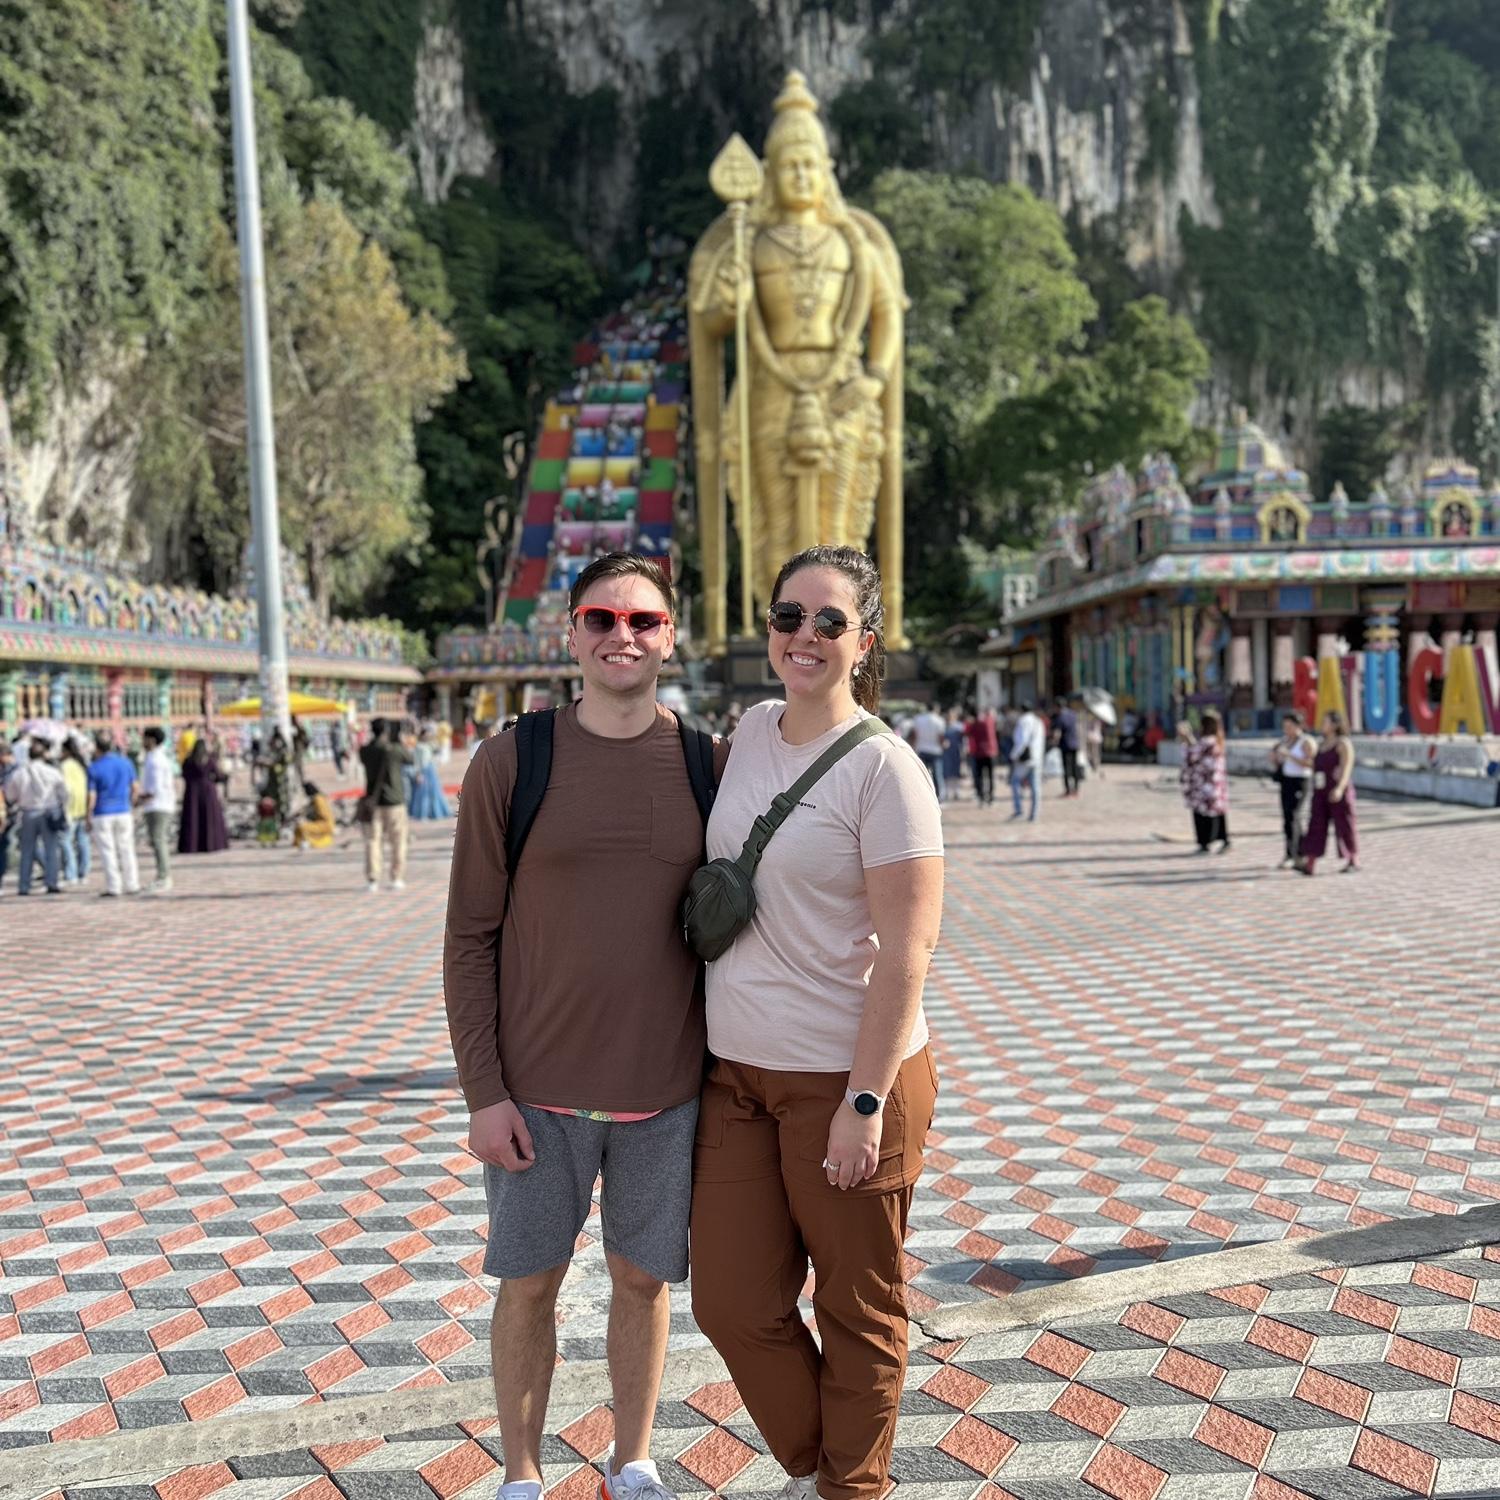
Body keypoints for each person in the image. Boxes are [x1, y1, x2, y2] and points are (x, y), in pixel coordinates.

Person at [445, 552, 722, 1500]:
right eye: (602, 619)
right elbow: (468, 936)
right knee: (529, 1286)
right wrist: (484, 1093)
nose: (622, 637)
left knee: (642, 1285)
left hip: (666, 1091)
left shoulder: (705, 762)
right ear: (570, 634)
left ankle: (631, 1457)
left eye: (643, 622)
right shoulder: (514, 759)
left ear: (669, 638)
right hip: (536, 1094)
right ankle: (521, 1473)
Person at [691, 545, 942, 1500]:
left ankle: (851, 1486)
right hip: (737, 1079)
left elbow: (909, 951)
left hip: (847, 1080)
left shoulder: (886, 772)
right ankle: (820, 1465)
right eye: (788, 616)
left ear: (863, 642)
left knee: (857, 1307)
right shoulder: (751, 732)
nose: (804, 636)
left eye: (828, 622)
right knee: (730, 1301)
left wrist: (866, 1100)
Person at [1299, 710, 1359, 875]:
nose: (1322, 725)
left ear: (1334, 725)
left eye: (1325, 721)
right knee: (1316, 825)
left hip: (1337, 789)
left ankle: (1352, 858)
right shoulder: (1321, 744)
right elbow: (1315, 766)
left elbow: (1347, 768)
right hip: (1320, 790)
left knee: (1345, 824)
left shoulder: (1343, 744)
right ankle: (1310, 862)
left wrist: (1340, 788)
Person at [4, 737, 67, 895]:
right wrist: (60, 805)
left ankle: (24, 885)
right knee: (51, 848)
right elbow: (64, 793)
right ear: (43, 755)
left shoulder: (19, 773)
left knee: (27, 850)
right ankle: (51, 882)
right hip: (48, 811)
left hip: (27, 812)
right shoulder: (52, 772)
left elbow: (10, 795)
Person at [360, 718, 413, 891]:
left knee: (372, 841)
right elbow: (410, 758)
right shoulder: (394, 749)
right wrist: (398, 740)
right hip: (394, 801)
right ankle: (396, 877)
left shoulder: (365, 750)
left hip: (373, 802)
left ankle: (372, 879)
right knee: (398, 841)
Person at [87, 730, 140, 898]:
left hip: (102, 812)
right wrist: (131, 803)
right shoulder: (126, 763)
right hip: (123, 810)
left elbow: (91, 795)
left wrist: (87, 814)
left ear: (97, 748)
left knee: (108, 851)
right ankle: (132, 883)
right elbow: (135, 788)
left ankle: (114, 886)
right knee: (127, 848)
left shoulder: (94, 767)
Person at [1269, 711, 1316, 869]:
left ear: (1298, 726)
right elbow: (1278, 761)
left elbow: (1312, 763)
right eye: (1285, 726)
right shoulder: (1284, 741)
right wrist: (1276, 758)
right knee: (1288, 816)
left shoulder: (1306, 741)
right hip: (1286, 780)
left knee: (1294, 815)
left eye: (1290, 726)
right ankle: (1297, 850)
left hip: (1300, 780)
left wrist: (1290, 756)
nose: (1287, 730)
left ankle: (1294, 853)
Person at [1180, 711, 1230, 853]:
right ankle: (1224, 839)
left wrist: (1186, 738)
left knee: (1202, 814)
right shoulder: (1218, 741)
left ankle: (1205, 842)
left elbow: (1192, 755)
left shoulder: (1207, 742)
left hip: (1202, 784)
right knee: (1218, 812)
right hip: (1216, 784)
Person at [138, 726, 177, 894]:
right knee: (156, 841)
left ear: (152, 740)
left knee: (159, 840)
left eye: (145, 738)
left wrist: (139, 799)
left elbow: (154, 788)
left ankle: (164, 876)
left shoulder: (156, 760)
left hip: (158, 805)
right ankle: (162, 874)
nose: (142, 742)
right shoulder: (153, 757)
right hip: (157, 804)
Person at [179, 738, 229, 855]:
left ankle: (192, 845)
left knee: (193, 818)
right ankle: (210, 844)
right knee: (209, 818)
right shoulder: (209, 760)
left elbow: (184, 774)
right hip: (208, 791)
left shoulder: (188, 761)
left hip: (192, 792)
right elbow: (218, 776)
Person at [59, 738, 92, 886]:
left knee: (66, 841)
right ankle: (83, 872)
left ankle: (70, 873)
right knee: (83, 841)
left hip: (70, 808)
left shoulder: (65, 766)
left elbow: (65, 788)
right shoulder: (82, 764)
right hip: (83, 806)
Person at [1010, 701, 1046, 821]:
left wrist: (1014, 755)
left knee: (1015, 782)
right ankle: (1034, 814)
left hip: (1024, 758)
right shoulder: (1039, 721)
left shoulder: (1023, 721)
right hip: (1037, 757)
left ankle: (1018, 809)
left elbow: (1022, 741)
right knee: (1035, 786)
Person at [407, 727, 451, 819]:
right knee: (423, 794)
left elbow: (438, 751)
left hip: (431, 770)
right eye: (426, 734)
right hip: (423, 771)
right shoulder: (418, 746)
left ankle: (434, 812)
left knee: (434, 793)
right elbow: (417, 761)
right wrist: (418, 773)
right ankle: (424, 813)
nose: (428, 736)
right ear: (422, 735)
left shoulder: (430, 745)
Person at [909, 704, 947, 801]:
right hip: (935, 750)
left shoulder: (918, 719)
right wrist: (944, 745)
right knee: (937, 775)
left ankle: (923, 795)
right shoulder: (939, 720)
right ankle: (938, 796)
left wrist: (913, 747)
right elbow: (940, 737)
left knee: (922, 775)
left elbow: (914, 735)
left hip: (922, 749)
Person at [963, 704, 999, 807]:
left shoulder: (975, 723)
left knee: (979, 776)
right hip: (991, 751)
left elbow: (967, 732)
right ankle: (991, 797)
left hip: (979, 752)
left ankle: (981, 797)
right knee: (990, 776)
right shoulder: (990, 720)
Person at [293, 781, 336, 850]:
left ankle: (308, 842)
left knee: (302, 828)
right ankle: (300, 843)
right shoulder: (317, 798)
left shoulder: (318, 799)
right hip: (323, 823)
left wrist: (310, 815)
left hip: (325, 824)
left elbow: (322, 813)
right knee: (298, 828)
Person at [1053, 697, 1081, 797]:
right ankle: (1076, 789)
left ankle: (1068, 790)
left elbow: (1057, 733)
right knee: (1075, 767)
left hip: (1065, 745)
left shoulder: (1060, 717)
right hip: (1075, 743)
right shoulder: (1073, 714)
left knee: (1066, 768)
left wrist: (1054, 742)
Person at [941, 709, 964, 803]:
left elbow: (963, 740)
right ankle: (946, 791)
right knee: (946, 771)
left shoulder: (959, 727)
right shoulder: (943, 727)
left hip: (956, 751)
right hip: (946, 752)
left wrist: (964, 750)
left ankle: (956, 791)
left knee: (956, 771)